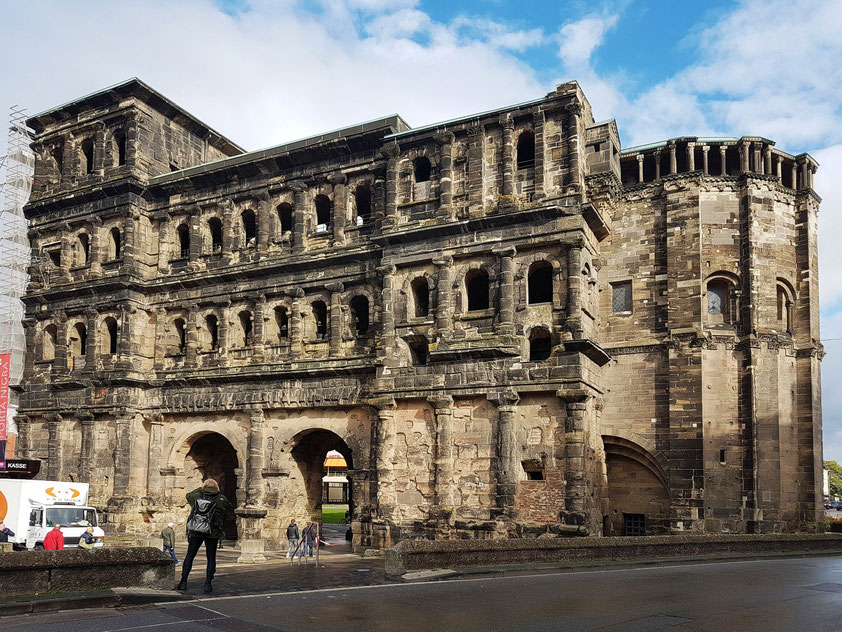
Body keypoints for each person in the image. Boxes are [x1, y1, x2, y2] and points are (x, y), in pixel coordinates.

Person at [176, 479, 231, 594]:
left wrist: (201, 489)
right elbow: (228, 508)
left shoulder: (197, 496)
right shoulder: (221, 498)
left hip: (196, 531)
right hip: (212, 533)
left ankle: (183, 581)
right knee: (211, 558)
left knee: (190, 555)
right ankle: (208, 584)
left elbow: (188, 495)